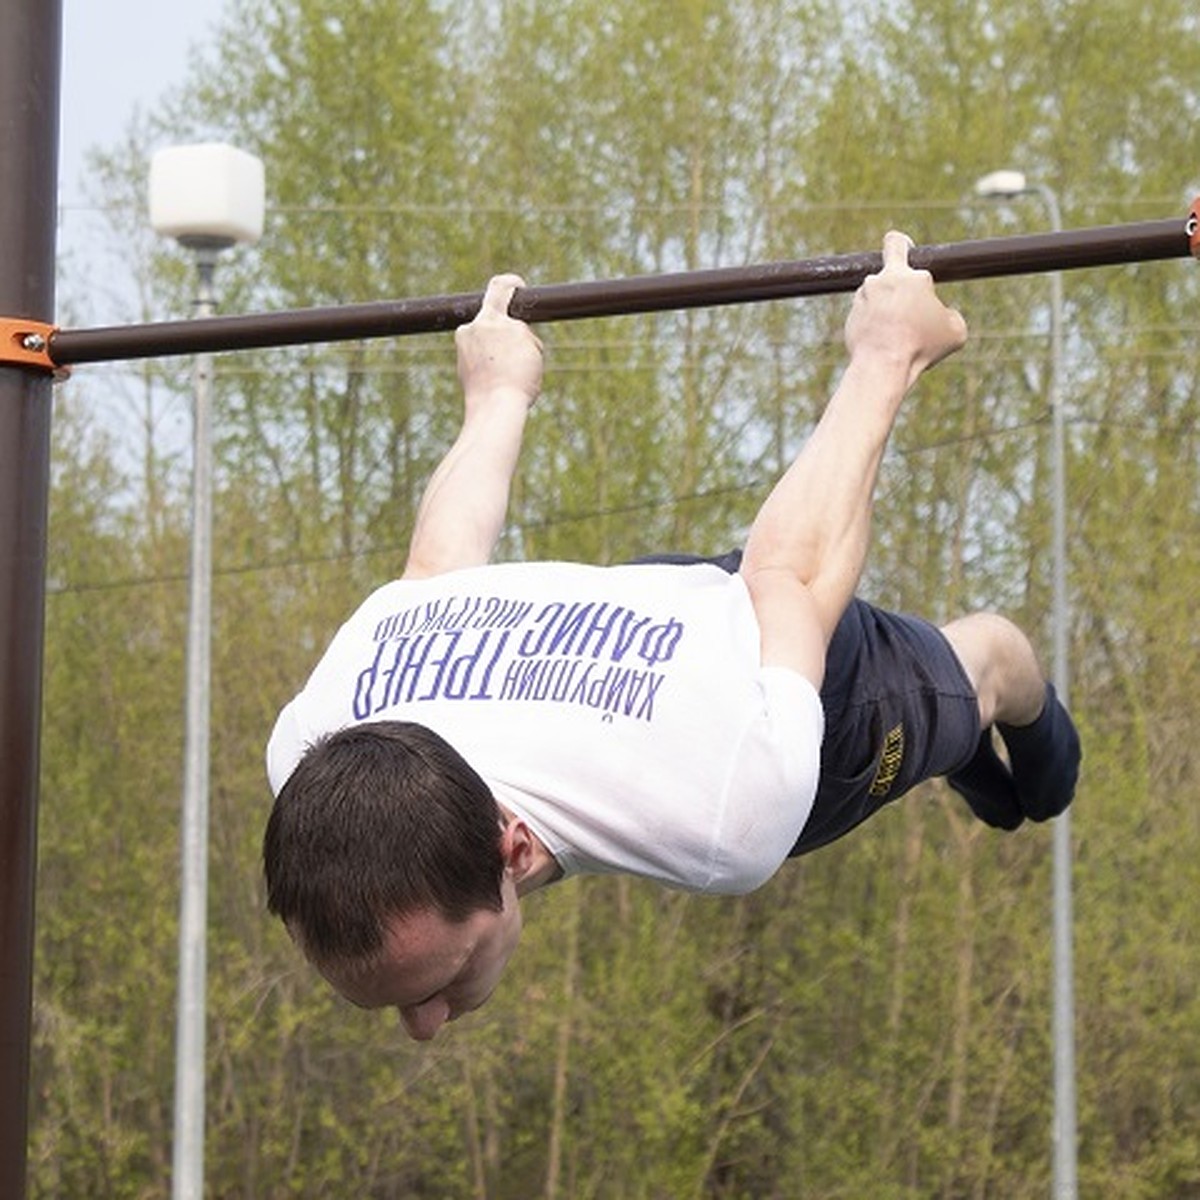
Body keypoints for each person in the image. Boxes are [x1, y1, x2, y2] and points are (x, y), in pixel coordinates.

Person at [263, 234, 1080, 1041]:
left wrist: (887, 352)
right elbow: (434, 565)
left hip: (796, 697)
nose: (425, 1025)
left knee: (987, 667)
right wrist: (497, 391)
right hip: (667, 630)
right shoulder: (314, 751)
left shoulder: (723, 804)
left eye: (432, 985)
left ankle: (992, 714)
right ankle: (966, 747)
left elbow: (790, 580)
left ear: (511, 849)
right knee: (758, 615)